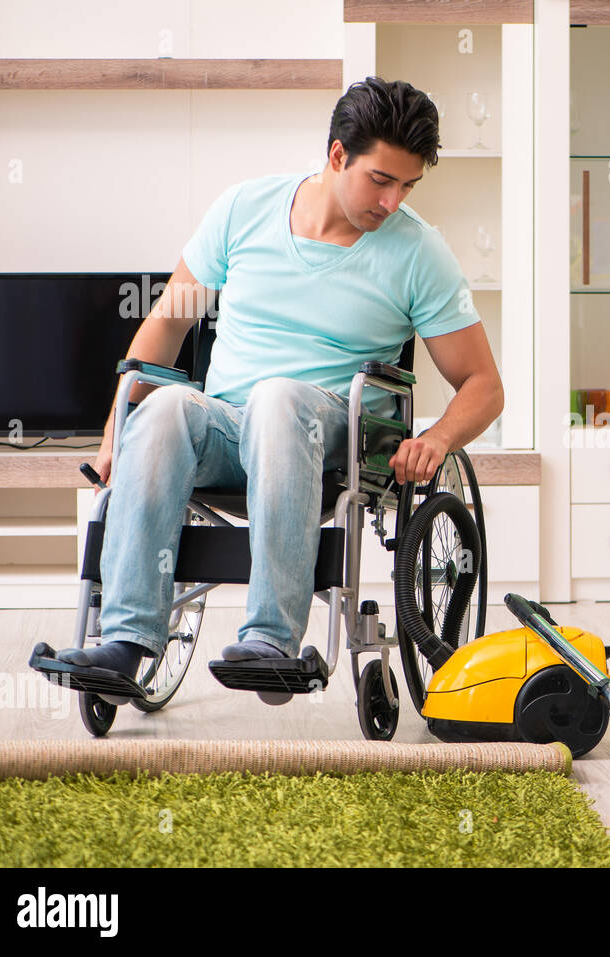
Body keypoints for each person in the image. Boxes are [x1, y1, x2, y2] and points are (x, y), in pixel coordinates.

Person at [57, 77, 504, 682]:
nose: (393, 202)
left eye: (408, 185)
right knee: (164, 409)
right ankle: (126, 642)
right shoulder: (244, 209)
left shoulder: (419, 253)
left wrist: (438, 439)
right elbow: (165, 326)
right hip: (227, 429)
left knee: (277, 398)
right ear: (338, 155)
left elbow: (482, 382)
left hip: (330, 434)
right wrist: (116, 430)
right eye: (381, 180)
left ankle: (270, 642)